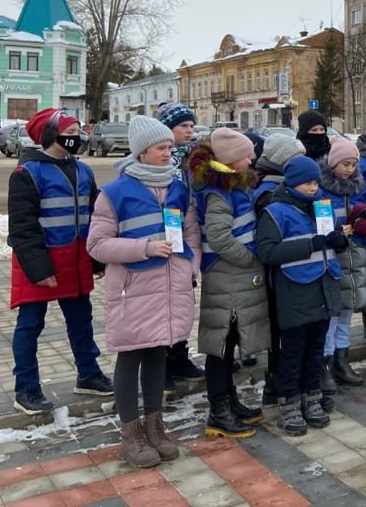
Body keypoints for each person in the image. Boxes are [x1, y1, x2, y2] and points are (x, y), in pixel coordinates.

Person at [88, 116, 202, 467]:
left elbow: (192, 232)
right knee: (131, 357)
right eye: (162, 148)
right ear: (141, 152)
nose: (170, 153)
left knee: (157, 356)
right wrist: (145, 248)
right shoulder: (115, 192)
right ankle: (130, 434)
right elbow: (97, 245)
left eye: (171, 147)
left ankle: (155, 427)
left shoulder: (179, 189)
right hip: (135, 290)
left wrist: (190, 266)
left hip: (170, 288)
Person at [9, 108, 113, 414]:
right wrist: (39, 269)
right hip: (40, 263)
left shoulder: (84, 170)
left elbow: (95, 218)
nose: (77, 139)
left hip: (77, 260)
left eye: (78, 132)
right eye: (70, 134)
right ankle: (26, 388)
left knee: (82, 321)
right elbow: (22, 228)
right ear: (51, 136)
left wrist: (97, 260)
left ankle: (88, 373)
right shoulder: (27, 173)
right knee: (30, 325)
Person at [256, 156, 345, 435]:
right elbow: (267, 252)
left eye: (316, 182)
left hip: (324, 285)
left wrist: (340, 241)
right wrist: (310, 245)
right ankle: (289, 404)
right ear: (293, 183)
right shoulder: (276, 211)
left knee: (316, 349)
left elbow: (335, 238)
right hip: (295, 290)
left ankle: (312, 396)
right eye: (308, 182)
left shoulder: (322, 206)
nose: (313, 187)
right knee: (293, 351)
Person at [190, 128, 269, 439]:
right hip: (226, 276)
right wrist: (250, 259)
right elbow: (221, 238)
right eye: (246, 156)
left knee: (232, 341)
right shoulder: (218, 194)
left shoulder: (235, 187)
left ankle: (230, 401)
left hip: (235, 278)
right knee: (221, 346)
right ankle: (218, 411)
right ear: (230, 161)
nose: (252, 160)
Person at [251, 133, 306, 406]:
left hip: (295, 271)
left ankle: (289, 384)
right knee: (280, 332)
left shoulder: (289, 186)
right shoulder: (269, 192)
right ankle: (278, 385)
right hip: (279, 273)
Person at [155, 102, 205, 387]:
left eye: (191, 126)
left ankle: (179, 356)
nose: (189, 131)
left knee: (184, 302)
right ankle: (160, 363)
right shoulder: (162, 162)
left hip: (187, 237)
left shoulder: (192, 159)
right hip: (163, 241)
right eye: (183, 126)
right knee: (164, 305)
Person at [318, 136, 366, 390]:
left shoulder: (360, 187)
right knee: (332, 313)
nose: (350, 169)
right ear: (333, 163)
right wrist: (338, 229)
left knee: (347, 312)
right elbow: (320, 224)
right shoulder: (322, 190)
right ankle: (325, 363)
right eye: (345, 164)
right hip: (333, 257)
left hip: (355, 255)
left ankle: (342, 359)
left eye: (353, 164)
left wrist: (363, 223)